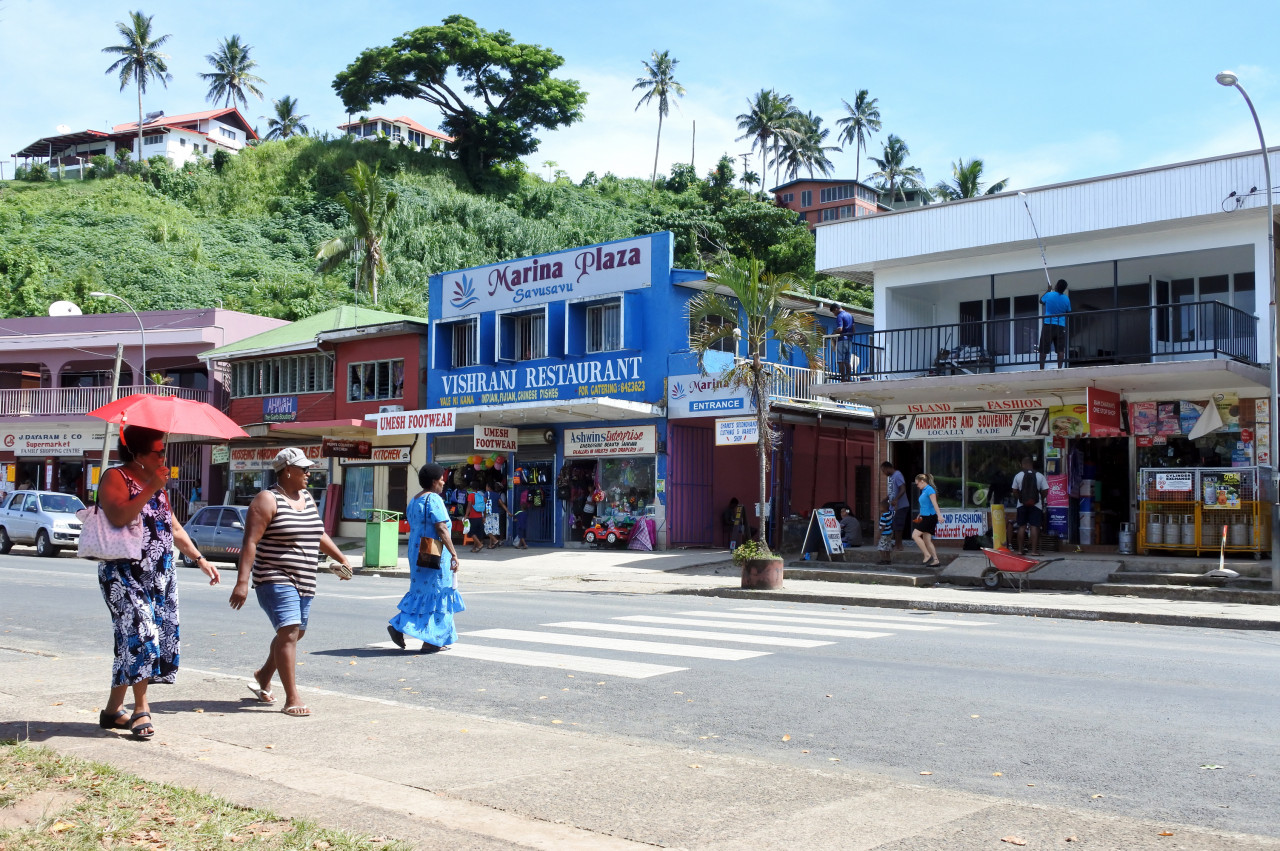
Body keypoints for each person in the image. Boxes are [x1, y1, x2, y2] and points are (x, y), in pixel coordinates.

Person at [96, 425, 219, 740]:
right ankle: (141, 708)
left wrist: (200, 559)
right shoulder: (114, 477)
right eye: (158, 451)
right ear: (137, 454)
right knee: (143, 635)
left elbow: (174, 528)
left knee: (136, 641)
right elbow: (119, 516)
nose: (164, 456)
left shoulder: (160, 487)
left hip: (160, 575)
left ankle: (112, 710)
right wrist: (150, 487)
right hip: (123, 574)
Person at [229, 447, 352, 717]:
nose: (309, 472)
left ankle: (263, 675)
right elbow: (250, 541)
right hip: (274, 576)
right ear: (287, 471)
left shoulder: (306, 497)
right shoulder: (266, 500)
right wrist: (242, 581)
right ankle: (291, 697)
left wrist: (342, 557)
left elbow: (317, 532)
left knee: (297, 633)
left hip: (305, 578)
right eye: (304, 468)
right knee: (289, 630)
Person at [387, 463, 465, 654]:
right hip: (433, 551)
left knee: (421, 593)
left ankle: (404, 628)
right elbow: (441, 528)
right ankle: (430, 640)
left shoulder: (414, 500)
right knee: (439, 593)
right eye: (441, 478)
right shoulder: (434, 499)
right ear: (433, 481)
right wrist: (454, 553)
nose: (443, 481)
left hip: (417, 551)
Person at [1010, 456, 1050, 556]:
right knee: (1034, 527)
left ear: (1023, 465)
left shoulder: (1018, 476)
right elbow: (1046, 490)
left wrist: (1020, 499)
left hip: (1021, 505)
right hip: (1036, 505)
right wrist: (1040, 498)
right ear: (1032, 464)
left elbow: (1014, 490)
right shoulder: (1040, 476)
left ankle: (1020, 550)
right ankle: (1034, 551)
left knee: (1021, 527)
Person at [1039, 278, 1071, 369]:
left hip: (1048, 324)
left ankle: (1041, 369)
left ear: (1056, 286)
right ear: (1064, 289)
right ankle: (1059, 368)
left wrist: (1048, 290)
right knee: (1060, 349)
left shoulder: (1049, 295)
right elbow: (1068, 312)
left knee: (1043, 349)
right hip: (1060, 326)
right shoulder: (1066, 299)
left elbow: (1041, 301)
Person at [911, 473, 941, 567]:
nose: (917, 485)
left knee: (915, 535)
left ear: (922, 481)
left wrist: (939, 515)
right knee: (927, 540)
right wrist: (920, 514)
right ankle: (936, 560)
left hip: (929, 517)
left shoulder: (930, 490)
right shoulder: (924, 490)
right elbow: (925, 505)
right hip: (925, 516)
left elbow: (934, 504)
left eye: (918, 483)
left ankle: (927, 554)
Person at [882, 461, 910, 551]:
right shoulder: (891, 477)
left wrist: (896, 499)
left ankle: (899, 545)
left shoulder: (897, 475)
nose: (883, 473)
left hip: (901, 506)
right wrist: (886, 499)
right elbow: (892, 491)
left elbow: (902, 489)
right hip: (893, 506)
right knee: (894, 525)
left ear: (888, 468)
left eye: (884, 471)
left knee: (898, 526)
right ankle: (896, 543)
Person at [829, 303, 856, 381]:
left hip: (842, 340)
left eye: (834, 312)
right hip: (849, 340)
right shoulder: (850, 316)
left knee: (840, 360)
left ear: (836, 309)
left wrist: (833, 334)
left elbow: (840, 329)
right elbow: (854, 330)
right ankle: (849, 378)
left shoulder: (840, 316)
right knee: (847, 361)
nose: (834, 314)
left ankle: (843, 378)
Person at [484, 480, 508, 549]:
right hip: (496, 514)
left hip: (488, 513)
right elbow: (502, 504)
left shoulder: (486, 494)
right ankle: (491, 545)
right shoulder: (497, 495)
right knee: (493, 529)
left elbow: (485, 504)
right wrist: (508, 512)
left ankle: (495, 541)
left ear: (488, 487)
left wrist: (484, 515)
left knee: (487, 530)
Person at [466, 483, 486, 553]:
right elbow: (484, 506)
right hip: (480, 516)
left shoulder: (471, 495)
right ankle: (474, 548)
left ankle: (479, 544)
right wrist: (484, 517)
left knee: (471, 532)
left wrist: (466, 515)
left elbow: (469, 506)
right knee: (477, 533)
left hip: (473, 517)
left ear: (471, 488)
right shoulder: (480, 495)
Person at [875, 500, 895, 565]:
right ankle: (888, 559)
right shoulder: (890, 513)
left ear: (884, 507)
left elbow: (883, 526)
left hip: (884, 534)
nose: (879, 508)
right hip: (889, 533)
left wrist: (879, 534)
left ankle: (883, 559)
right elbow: (895, 512)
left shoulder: (884, 516)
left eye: (880, 507)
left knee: (881, 547)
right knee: (888, 547)